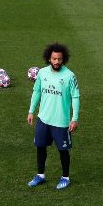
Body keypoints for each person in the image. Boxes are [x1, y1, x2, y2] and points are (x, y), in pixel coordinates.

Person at [26, 42, 80, 190]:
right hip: (43, 119)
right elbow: (36, 91)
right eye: (54, 59)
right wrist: (31, 111)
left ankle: (65, 177)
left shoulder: (70, 76)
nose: (56, 62)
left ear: (64, 59)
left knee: (63, 150)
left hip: (61, 122)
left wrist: (74, 119)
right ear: (49, 58)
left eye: (59, 59)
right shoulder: (42, 73)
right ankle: (40, 175)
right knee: (40, 147)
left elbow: (75, 97)